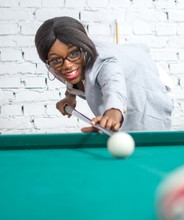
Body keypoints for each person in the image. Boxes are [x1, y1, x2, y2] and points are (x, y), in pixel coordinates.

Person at [35, 16, 174, 133]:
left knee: (138, 129)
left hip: (145, 79)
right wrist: (70, 95)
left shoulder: (103, 61)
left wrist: (112, 113)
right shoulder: (55, 63)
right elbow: (72, 76)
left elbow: (113, 86)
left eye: (73, 53)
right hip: (126, 61)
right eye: (56, 59)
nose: (67, 65)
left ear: (82, 47)